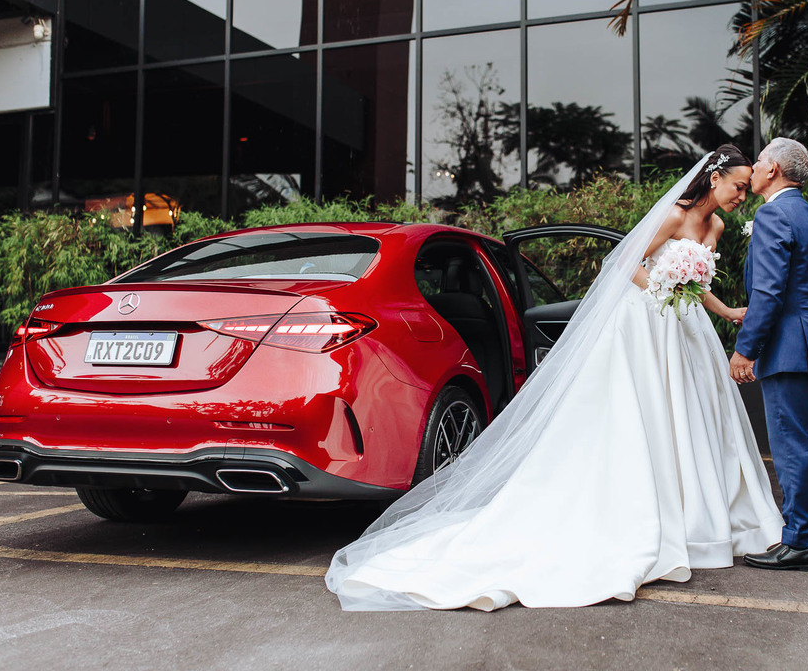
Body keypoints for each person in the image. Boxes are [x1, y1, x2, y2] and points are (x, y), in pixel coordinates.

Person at [326, 146, 783, 611]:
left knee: (692, 417)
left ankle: (698, 517)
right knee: (643, 412)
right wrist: (663, 289)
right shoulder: (673, 215)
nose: (741, 196)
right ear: (714, 178)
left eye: (746, 190)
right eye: (738, 186)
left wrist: (727, 311)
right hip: (647, 320)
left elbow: (698, 285)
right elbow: (624, 264)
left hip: (684, 327)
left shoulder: (716, 227)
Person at [729, 138, 808, 572]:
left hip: (790, 350)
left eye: (759, 160)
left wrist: (745, 350)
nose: (754, 168)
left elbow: (768, 291)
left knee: (793, 446)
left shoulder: (773, 214)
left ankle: (799, 541)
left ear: (774, 169)